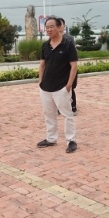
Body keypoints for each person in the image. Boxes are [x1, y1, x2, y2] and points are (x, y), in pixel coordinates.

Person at [37, 17, 78, 153]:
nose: (49, 29)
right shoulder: (45, 45)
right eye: (47, 27)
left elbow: (73, 66)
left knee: (67, 115)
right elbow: (42, 65)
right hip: (45, 87)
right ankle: (51, 138)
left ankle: (71, 140)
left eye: (51, 26)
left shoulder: (68, 44)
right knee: (49, 114)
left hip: (61, 87)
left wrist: (69, 85)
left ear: (59, 27)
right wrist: (40, 81)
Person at [58, 17, 78, 115]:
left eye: (60, 25)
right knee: (58, 89)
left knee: (70, 87)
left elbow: (73, 55)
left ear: (63, 26)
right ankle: (60, 107)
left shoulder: (69, 38)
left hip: (68, 68)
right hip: (59, 69)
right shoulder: (53, 38)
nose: (58, 27)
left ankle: (73, 107)